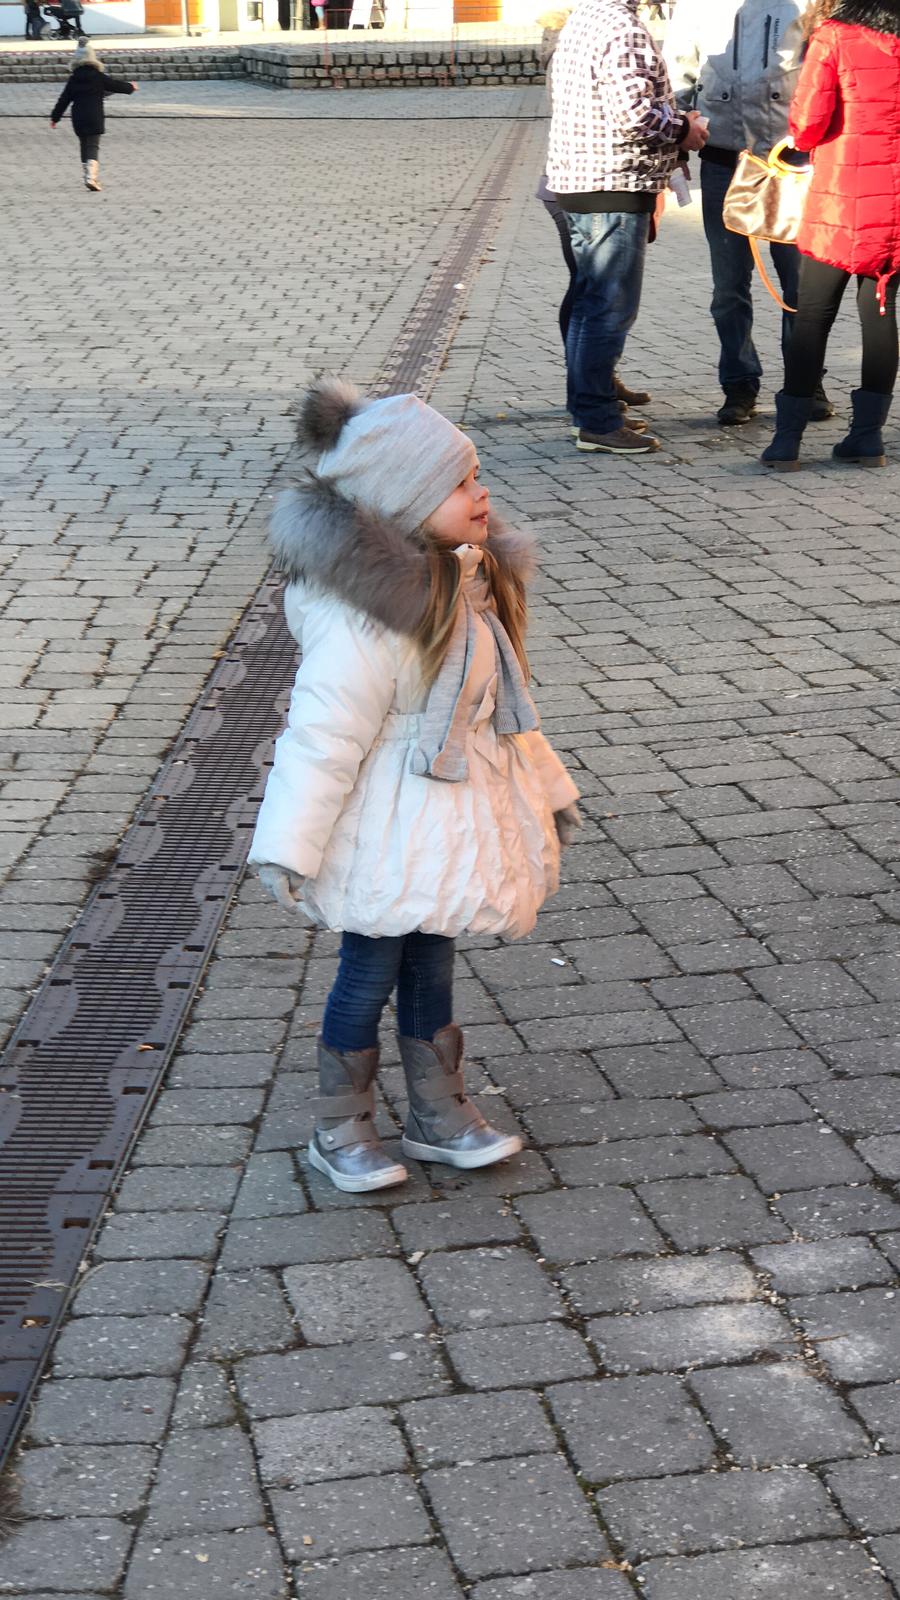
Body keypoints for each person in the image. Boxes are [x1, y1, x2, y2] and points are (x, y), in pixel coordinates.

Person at [249, 377, 580, 1194]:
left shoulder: (466, 590)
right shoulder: (366, 619)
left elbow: (504, 715)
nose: (482, 493)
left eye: (476, 476)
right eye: (460, 483)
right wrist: (289, 844)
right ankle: (340, 1125)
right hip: (383, 832)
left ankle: (437, 1112)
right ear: (404, 503)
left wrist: (551, 788)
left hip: (448, 829)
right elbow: (322, 736)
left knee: (432, 965)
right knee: (367, 972)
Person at [546, 0, 708, 457]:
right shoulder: (622, 27)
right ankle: (597, 420)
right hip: (613, 185)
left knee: (589, 304)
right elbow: (636, 115)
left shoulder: (587, 16)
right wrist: (684, 129)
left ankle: (589, 409)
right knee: (607, 309)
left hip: (582, 181)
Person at [665, 0, 835, 426]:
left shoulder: (805, 3)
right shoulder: (695, 7)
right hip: (725, 158)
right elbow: (678, 74)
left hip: (791, 160)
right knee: (728, 288)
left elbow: (825, 69)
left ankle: (805, 381)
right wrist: (676, 146)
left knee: (800, 285)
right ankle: (739, 383)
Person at [762, 0, 900, 468]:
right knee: (879, 311)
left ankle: (787, 441)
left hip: (841, 198)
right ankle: (867, 439)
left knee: (812, 316)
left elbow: (807, 124)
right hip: (894, 204)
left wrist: (803, 140)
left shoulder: (835, 35)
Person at [49, 39, 136, 193]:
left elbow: (64, 99)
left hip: (78, 117)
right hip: (94, 115)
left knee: (84, 144)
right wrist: (131, 87)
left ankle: (87, 175)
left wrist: (55, 117)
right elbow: (115, 85)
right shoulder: (98, 76)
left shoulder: (73, 79)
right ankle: (91, 177)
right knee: (93, 145)